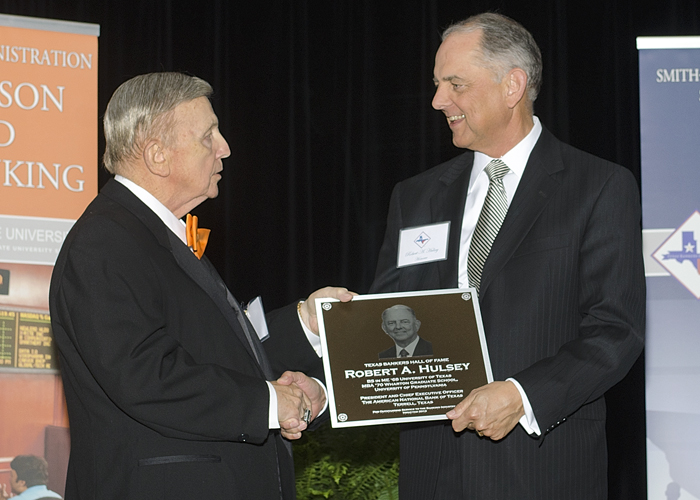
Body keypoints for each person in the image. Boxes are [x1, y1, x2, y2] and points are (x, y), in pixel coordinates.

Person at [370, 12, 645, 499]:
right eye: (437, 85)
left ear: (512, 85)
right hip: (433, 470)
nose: (438, 101)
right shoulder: (415, 197)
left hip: (541, 470)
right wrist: (323, 381)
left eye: (455, 84)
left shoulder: (598, 186)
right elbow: (387, 317)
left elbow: (615, 330)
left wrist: (522, 395)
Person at [49, 72, 353, 500]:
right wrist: (269, 403)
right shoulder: (104, 242)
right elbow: (145, 377)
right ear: (158, 156)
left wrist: (304, 322)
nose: (224, 147)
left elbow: (210, 349)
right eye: (208, 135)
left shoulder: (148, 234)